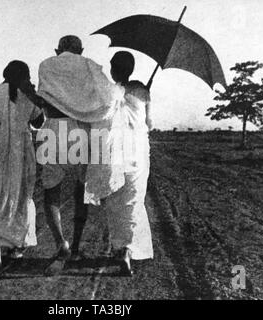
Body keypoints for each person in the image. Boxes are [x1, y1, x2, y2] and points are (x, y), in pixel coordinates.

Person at [23, 35, 125, 274]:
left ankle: (62, 245)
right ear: (81, 50)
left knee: (51, 192)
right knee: (81, 189)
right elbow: (109, 97)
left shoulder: (46, 65)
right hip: (80, 131)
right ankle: (77, 245)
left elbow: (43, 98)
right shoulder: (89, 64)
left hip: (52, 129)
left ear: (57, 50)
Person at [0, 60, 44, 268]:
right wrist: (35, 97)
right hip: (21, 149)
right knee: (21, 196)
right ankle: (15, 246)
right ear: (25, 76)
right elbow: (39, 123)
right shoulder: (28, 97)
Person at [103, 51, 154, 275]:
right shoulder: (143, 91)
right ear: (131, 69)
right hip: (138, 152)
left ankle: (119, 247)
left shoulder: (109, 91)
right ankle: (127, 250)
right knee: (133, 200)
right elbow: (149, 123)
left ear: (113, 69)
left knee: (115, 199)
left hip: (115, 150)